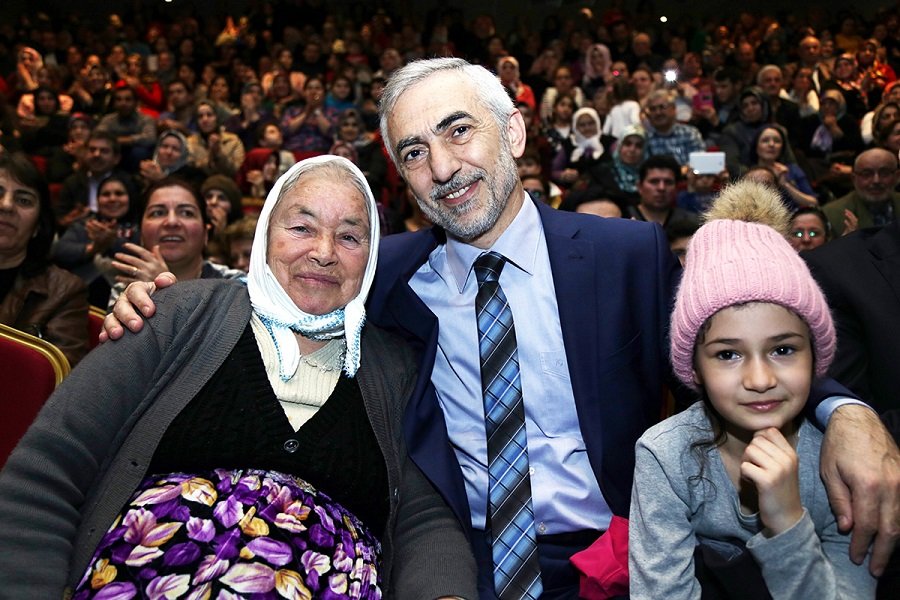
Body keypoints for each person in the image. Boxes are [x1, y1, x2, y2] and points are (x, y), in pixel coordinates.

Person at [104, 58, 900, 598]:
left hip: (623, 555)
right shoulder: (382, 272)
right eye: (415, 152)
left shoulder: (625, 254)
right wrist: (159, 307)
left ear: (512, 133)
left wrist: (845, 411)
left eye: (459, 132)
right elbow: (275, 293)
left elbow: (736, 353)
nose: (443, 168)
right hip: (454, 560)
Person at [0, 155, 478, 599]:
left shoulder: (396, 369)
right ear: (266, 233)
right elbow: (49, 470)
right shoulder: (174, 316)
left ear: (372, 257)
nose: (324, 252)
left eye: (350, 237)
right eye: (301, 227)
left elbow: (424, 517)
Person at [630, 180, 877, 599]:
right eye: (728, 354)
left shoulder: (841, 459)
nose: (760, 379)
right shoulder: (667, 456)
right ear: (695, 368)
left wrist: (787, 522)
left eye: (783, 349)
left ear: (816, 354)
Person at [0, 152, 89, 366]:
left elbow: (56, 379)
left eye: (23, 200)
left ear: (38, 226)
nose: (6, 205)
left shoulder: (65, 292)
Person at [51, 174, 141, 307]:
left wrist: (112, 242)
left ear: (130, 198)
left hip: (132, 299)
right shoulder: (86, 225)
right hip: (82, 298)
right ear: (97, 200)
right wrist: (93, 248)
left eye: (119, 193)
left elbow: (143, 253)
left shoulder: (141, 226)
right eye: (106, 194)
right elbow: (59, 251)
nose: (112, 199)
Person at [822, 148, 900, 237]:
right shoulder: (831, 214)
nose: (876, 181)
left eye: (884, 173)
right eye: (867, 174)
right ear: (854, 179)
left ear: (897, 177)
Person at [749, 124, 818, 209]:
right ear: (756, 146)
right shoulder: (749, 175)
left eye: (777, 141)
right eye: (765, 141)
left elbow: (813, 203)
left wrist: (785, 184)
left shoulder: (792, 170)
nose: (771, 144)